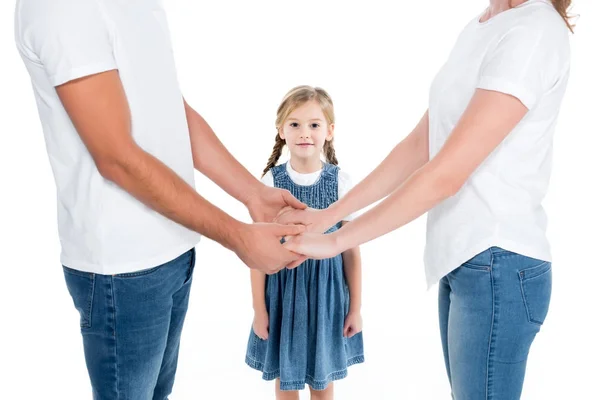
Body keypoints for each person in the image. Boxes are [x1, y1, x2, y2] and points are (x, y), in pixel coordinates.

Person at [278, 1, 573, 398]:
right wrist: (327, 216)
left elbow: (445, 175)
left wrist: (335, 241)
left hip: (498, 264)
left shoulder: (533, 32)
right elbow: (421, 145)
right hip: (465, 262)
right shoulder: (484, 25)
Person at [14, 0, 306, 398]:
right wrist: (238, 236)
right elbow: (117, 158)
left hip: (175, 247)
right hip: (123, 266)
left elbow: (171, 109)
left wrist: (252, 194)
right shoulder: (63, 9)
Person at [245, 86, 364, 400]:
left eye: (314, 124)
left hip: (328, 298)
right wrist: (259, 309)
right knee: (286, 378)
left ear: (329, 131)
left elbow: (351, 251)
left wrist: (356, 308)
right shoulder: (270, 184)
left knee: (322, 381)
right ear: (281, 130)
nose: (304, 133)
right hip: (283, 296)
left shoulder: (340, 182)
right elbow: (258, 254)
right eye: (295, 124)